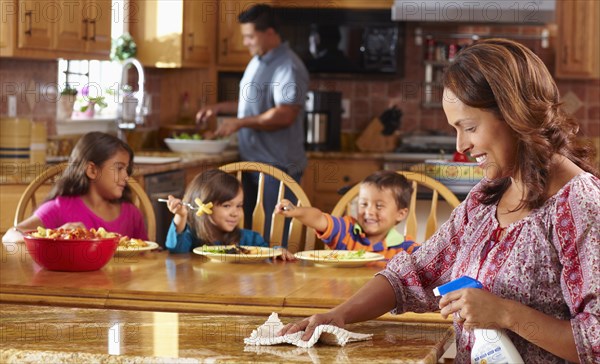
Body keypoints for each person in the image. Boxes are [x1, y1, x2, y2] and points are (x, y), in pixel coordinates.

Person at [278, 39, 600, 363]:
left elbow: (596, 341)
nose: (462, 145)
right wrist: (340, 314)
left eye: (469, 127)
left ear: (515, 113)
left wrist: (506, 314)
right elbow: (415, 272)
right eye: (455, 130)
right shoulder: (488, 197)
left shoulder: (581, 207)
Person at [195, 4, 309, 247]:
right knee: (254, 240)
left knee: (272, 242)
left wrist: (239, 123)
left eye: (249, 36)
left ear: (269, 33)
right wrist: (219, 109)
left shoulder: (287, 66)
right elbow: (254, 105)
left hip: (277, 169)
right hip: (256, 166)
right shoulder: (259, 60)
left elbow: (285, 114)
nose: (245, 42)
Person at [1, 132, 148, 243]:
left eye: (126, 170)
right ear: (92, 170)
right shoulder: (60, 208)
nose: (126, 177)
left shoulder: (132, 214)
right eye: (119, 168)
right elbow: (10, 236)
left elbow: (146, 254)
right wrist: (56, 234)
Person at [275, 170, 420, 267]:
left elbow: (432, 263)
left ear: (400, 214)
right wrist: (296, 211)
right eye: (363, 204)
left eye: (379, 206)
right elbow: (318, 218)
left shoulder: (406, 248)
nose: (369, 211)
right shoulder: (346, 230)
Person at [164, 169, 295, 260]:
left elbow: (267, 255)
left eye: (239, 206)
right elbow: (176, 251)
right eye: (227, 206)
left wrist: (277, 251)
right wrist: (181, 216)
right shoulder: (191, 237)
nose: (235, 213)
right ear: (202, 207)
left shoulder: (250, 240)